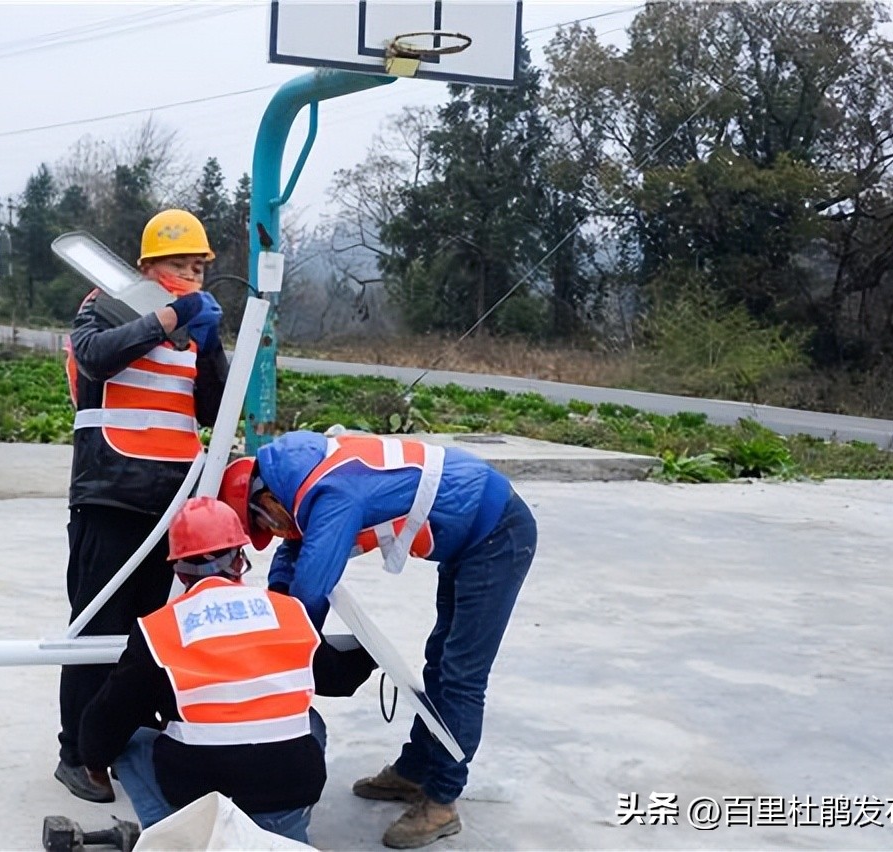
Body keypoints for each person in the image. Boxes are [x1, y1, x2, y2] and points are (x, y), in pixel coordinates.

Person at [219, 431, 537, 849]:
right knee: (439, 660)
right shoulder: (305, 476)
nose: (273, 533)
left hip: (497, 534)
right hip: (473, 536)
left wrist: (280, 648)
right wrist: (278, 600)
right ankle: (416, 769)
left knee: (461, 674)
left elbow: (312, 589)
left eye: (265, 524)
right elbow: (295, 548)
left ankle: (442, 801)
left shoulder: (334, 492)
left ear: (268, 499)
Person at [77, 496, 377, 844]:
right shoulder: (290, 611)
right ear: (239, 560)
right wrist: (369, 653)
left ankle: (179, 839)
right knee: (309, 721)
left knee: (129, 738)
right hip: (288, 789)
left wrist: (93, 760)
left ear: (177, 569)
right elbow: (336, 679)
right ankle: (283, 837)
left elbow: (109, 716)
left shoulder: (157, 630)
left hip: (200, 791)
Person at [56, 209, 229, 804]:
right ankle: (77, 753)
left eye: (199, 268)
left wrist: (208, 349)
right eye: (180, 265)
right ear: (148, 266)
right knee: (95, 627)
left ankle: (127, 736)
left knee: (148, 632)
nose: (191, 277)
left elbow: (210, 409)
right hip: (110, 494)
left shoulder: (192, 326)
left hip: (170, 499)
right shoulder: (105, 303)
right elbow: (95, 357)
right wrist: (166, 318)